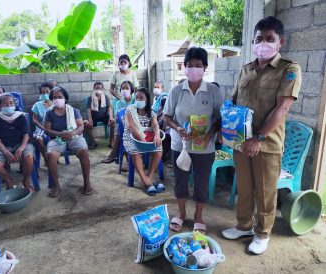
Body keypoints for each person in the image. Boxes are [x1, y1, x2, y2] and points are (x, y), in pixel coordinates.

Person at [222, 16, 302, 255]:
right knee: (244, 189)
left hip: (266, 145)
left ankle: (262, 233)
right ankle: (244, 226)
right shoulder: (246, 69)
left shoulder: (289, 69)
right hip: (240, 143)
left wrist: (257, 138)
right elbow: (233, 101)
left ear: (280, 42)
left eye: (270, 39)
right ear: (253, 41)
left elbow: (282, 108)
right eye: (259, 39)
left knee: (265, 192)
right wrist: (223, 126)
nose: (263, 43)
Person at [164, 47, 224, 233]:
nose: (193, 69)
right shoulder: (176, 91)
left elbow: (221, 118)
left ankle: (198, 217)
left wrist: (208, 135)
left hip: (204, 147)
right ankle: (181, 214)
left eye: (198, 65)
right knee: (180, 181)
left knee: (201, 182)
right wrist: (178, 128)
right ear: (184, 67)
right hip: (180, 145)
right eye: (189, 65)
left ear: (205, 67)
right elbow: (166, 117)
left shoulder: (213, 91)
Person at [44, 86, 93, 198]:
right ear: (51, 99)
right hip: (57, 139)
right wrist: (60, 134)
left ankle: (87, 182)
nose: (57, 99)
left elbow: (81, 126)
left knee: (84, 153)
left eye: (60, 97)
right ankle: (56, 185)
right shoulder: (49, 113)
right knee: (51, 155)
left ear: (65, 98)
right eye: (54, 97)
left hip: (74, 136)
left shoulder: (73, 111)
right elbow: (46, 130)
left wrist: (71, 133)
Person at [123, 87, 164, 196]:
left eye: (141, 98)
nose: (138, 100)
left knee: (159, 150)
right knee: (136, 153)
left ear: (147, 99)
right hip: (131, 137)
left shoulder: (151, 112)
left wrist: (157, 135)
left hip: (147, 137)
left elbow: (155, 125)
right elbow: (130, 126)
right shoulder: (130, 109)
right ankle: (145, 181)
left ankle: (148, 177)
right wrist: (141, 139)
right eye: (137, 97)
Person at [0, 94, 35, 190]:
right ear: (0, 106)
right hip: (4, 146)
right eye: (5, 104)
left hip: (22, 144)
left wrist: (21, 148)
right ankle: (9, 180)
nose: (9, 106)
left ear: (14, 105)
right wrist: (5, 152)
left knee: (29, 158)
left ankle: (26, 180)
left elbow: (26, 135)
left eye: (11, 103)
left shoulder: (21, 117)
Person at [101, 81, 135, 167]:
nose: (124, 90)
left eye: (127, 88)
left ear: (131, 90)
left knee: (121, 131)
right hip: (123, 125)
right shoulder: (119, 102)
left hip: (134, 126)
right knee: (120, 128)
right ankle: (127, 159)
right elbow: (118, 117)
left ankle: (114, 155)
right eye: (123, 88)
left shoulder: (135, 100)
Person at [85, 82, 115, 148]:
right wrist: (90, 119)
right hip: (94, 117)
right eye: (97, 88)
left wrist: (110, 117)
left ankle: (111, 142)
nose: (98, 90)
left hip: (104, 116)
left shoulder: (106, 97)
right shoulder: (90, 98)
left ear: (102, 89)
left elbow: (109, 107)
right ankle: (93, 142)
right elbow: (88, 109)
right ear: (93, 88)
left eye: (100, 88)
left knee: (112, 121)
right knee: (85, 123)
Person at [31, 82, 54, 166]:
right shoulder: (37, 105)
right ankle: (46, 159)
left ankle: (54, 157)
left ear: (51, 92)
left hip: (54, 128)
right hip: (41, 129)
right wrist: (42, 127)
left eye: (47, 92)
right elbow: (34, 120)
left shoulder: (56, 104)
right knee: (38, 139)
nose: (45, 94)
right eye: (43, 92)